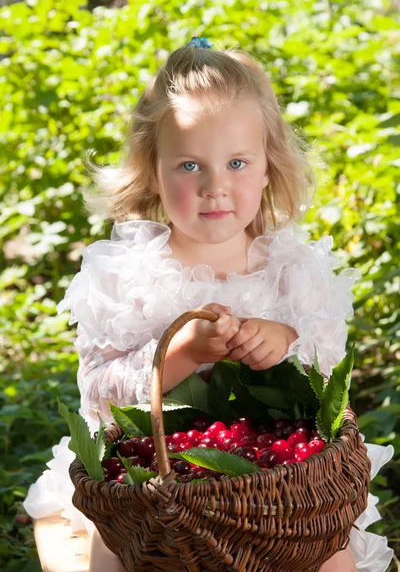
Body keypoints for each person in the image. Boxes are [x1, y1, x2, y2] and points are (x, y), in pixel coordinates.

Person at [24, 38, 394, 572]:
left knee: (332, 558)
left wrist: (283, 343)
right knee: (116, 555)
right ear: (153, 171)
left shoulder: (292, 271)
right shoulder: (127, 275)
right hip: (156, 483)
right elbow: (98, 396)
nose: (216, 187)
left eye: (238, 162)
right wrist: (180, 352)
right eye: (190, 166)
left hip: (278, 490)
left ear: (269, 167)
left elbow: (328, 392)